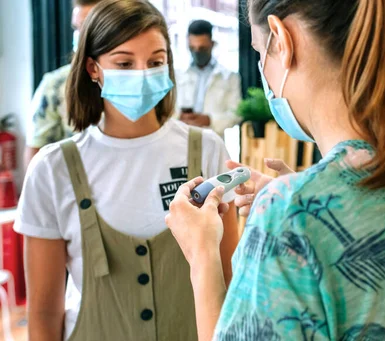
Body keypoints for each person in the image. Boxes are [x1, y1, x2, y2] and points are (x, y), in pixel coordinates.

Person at [166, 0, 385, 340]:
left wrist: (202, 253)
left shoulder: (288, 214)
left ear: (282, 39)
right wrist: (304, 195)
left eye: (260, 52)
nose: (263, 68)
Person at [15, 1, 238, 340]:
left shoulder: (206, 150)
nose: (143, 73)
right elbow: (44, 313)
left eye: (155, 62)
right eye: (124, 62)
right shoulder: (52, 169)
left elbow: (229, 281)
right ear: (93, 68)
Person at [24, 0, 101, 169]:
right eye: (77, 28)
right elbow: (35, 158)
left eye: (88, 27)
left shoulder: (140, 83)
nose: (81, 35)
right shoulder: (55, 85)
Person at [176, 20, 242, 137]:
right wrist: (179, 117)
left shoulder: (229, 77)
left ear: (212, 44)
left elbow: (236, 114)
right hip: (182, 138)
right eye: (192, 48)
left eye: (202, 48)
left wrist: (209, 120)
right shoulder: (178, 75)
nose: (197, 52)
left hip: (213, 139)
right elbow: (168, 111)